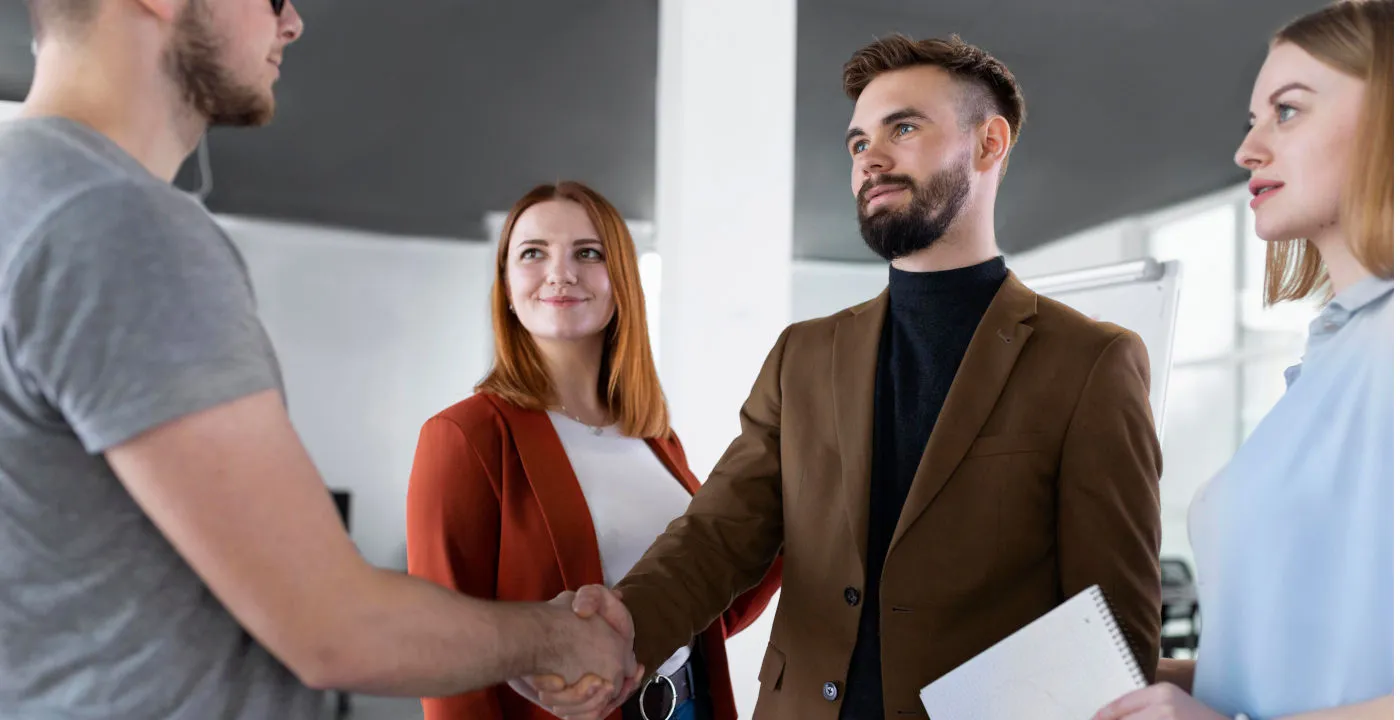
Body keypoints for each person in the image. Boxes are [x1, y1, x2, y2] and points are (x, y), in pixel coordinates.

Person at [0, 2, 636, 718]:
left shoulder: (26, 197)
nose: (294, 22)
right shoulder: (113, 221)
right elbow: (337, 628)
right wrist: (552, 640)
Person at [532, 33, 1164, 720]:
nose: (872, 159)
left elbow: (1108, 628)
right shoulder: (803, 355)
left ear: (989, 144)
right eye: (859, 143)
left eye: (904, 128)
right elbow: (719, 537)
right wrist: (625, 626)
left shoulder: (1089, 362)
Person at [1095, 2, 1394, 719]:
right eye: (1250, 121)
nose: (1247, 150)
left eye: (1287, 112)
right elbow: (1301, 659)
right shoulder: (1331, 359)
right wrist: (1163, 685)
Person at [405, 181, 783, 720]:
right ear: (507, 286)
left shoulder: (657, 439)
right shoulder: (466, 436)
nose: (561, 273)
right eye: (533, 253)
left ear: (621, 282)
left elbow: (711, 602)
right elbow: (445, 651)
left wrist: (798, 511)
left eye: (588, 253)